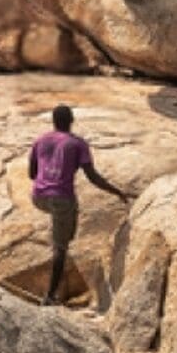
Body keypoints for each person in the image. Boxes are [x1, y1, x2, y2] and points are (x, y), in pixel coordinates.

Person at [26, 104, 129, 305]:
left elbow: (32, 174)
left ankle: (60, 229)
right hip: (61, 199)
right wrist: (116, 191)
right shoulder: (78, 143)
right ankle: (50, 296)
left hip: (38, 197)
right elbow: (92, 176)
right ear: (71, 121)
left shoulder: (40, 140)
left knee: (64, 220)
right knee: (61, 247)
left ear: (53, 121)